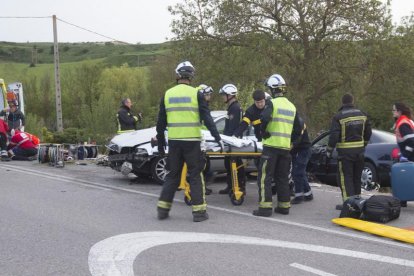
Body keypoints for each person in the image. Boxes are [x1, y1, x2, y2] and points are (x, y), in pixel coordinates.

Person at [156, 61, 223, 222]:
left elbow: (160, 122)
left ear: (178, 75)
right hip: (192, 142)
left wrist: (160, 142)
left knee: (173, 175)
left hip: (174, 141)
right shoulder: (197, 94)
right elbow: (207, 118)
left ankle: (163, 210)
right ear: (191, 76)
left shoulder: (168, 94)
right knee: (195, 175)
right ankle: (199, 212)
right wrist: (217, 137)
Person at [252, 74, 302, 217]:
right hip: (285, 149)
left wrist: (263, 132)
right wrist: (292, 142)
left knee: (265, 177)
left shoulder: (271, 103)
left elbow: (264, 118)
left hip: (271, 148)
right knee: (282, 178)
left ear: (272, 90)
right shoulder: (292, 106)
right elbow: (299, 128)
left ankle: (265, 208)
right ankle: (284, 206)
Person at [326, 93, 372, 210]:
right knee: (357, 178)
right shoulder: (363, 114)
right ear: (353, 101)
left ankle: (348, 205)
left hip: (345, 154)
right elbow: (368, 133)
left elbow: (334, 136)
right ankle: (357, 203)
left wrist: (329, 150)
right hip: (360, 152)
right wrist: (364, 144)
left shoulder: (338, 117)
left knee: (346, 179)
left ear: (342, 102)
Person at [218, 84, 246, 195]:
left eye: (224, 95)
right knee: (228, 164)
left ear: (230, 95)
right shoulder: (231, 107)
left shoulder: (235, 108)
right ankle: (230, 186)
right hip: (229, 141)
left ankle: (240, 187)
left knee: (236, 164)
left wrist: (230, 139)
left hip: (234, 142)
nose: (222, 97)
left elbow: (234, 127)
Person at [391, 102, 414, 207]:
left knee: (405, 177)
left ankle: (402, 199)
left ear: (399, 111)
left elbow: (412, 142)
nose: (392, 112)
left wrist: (406, 155)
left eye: (394, 110)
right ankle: (402, 199)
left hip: (410, 157)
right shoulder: (407, 121)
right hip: (408, 155)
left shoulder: (403, 124)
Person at [290, 115, 313, 204]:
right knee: (300, 172)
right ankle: (308, 194)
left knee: (297, 172)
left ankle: (299, 196)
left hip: (303, 149)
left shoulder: (299, 122)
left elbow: (297, 139)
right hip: (298, 150)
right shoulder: (292, 121)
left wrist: (289, 148)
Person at [197, 84, 214, 195]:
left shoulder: (202, 105)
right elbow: (206, 123)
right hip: (200, 138)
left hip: (203, 138)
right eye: (208, 95)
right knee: (202, 167)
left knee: (205, 167)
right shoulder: (201, 106)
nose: (209, 97)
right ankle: (201, 188)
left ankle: (203, 187)